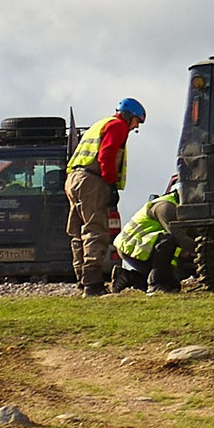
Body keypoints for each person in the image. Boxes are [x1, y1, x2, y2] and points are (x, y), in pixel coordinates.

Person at [67, 98, 146, 297]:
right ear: (129, 116)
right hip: (91, 181)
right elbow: (107, 154)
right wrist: (110, 183)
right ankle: (92, 284)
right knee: (96, 230)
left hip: (73, 179)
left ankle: (81, 280)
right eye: (136, 121)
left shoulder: (99, 125)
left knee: (78, 232)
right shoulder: (118, 126)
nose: (135, 127)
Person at [111, 181, 186, 295]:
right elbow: (179, 236)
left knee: (172, 286)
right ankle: (154, 285)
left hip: (141, 249)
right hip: (131, 247)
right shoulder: (165, 207)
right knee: (169, 239)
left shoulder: (176, 207)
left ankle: (128, 277)